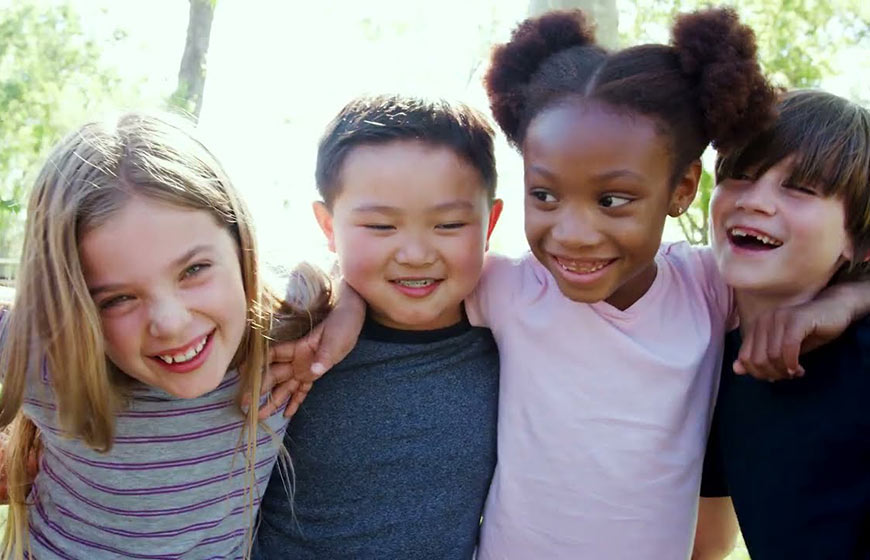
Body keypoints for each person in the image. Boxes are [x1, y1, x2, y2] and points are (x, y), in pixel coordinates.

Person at [263, 8, 870, 559]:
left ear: (682, 188)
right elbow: (402, 269)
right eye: (546, 195)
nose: (574, 234)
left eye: (612, 199)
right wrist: (343, 303)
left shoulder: (708, 286)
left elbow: (801, 273)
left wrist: (845, 299)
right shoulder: (509, 288)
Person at [0, 111, 330, 559]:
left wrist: (342, 324)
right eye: (118, 299)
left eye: (194, 270)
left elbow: (360, 274)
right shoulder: (46, 352)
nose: (171, 323)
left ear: (241, 245)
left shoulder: (289, 323)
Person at [253, 95, 503, 559]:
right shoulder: (297, 338)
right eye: (381, 227)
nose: (415, 254)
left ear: (490, 223)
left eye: (449, 225)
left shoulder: (515, 334)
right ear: (328, 227)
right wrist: (336, 296)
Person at [698, 90, 870, 559]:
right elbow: (707, 544)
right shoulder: (714, 363)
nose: (755, 201)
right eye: (740, 175)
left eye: (800, 189)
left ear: (858, 243)